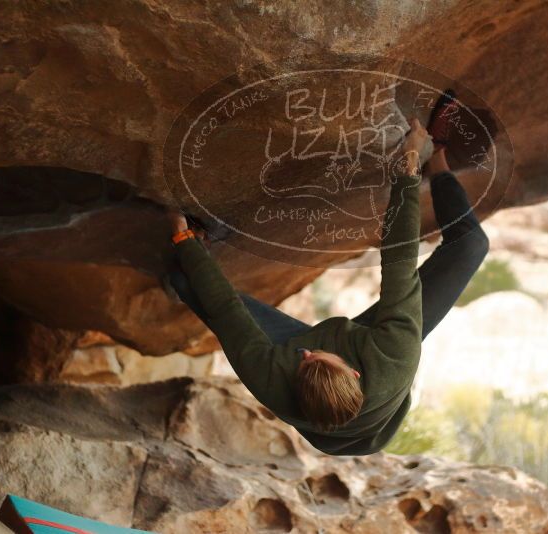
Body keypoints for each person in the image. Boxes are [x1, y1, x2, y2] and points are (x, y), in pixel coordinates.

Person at [166, 97, 489, 456]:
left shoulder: (273, 377)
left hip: (339, 380)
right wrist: (410, 161)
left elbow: (227, 312)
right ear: (352, 372)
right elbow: (398, 256)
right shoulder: (395, 354)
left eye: (303, 360)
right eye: (315, 357)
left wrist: (182, 235)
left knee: (189, 279)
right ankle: (438, 159)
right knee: (471, 246)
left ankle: (177, 276)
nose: (306, 352)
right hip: (376, 354)